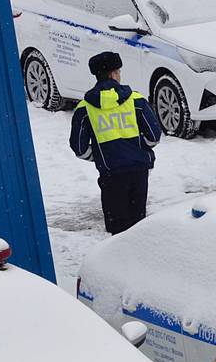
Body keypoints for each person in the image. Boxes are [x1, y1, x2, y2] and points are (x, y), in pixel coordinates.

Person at [69, 51, 162, 234]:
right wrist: (137, 150)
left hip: (111, 176)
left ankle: (120, 258)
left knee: (117, 230)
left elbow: (79, 148)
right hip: (138, 172)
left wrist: (100, 156)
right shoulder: (136, 100)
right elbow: (154, 136)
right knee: (138, 227)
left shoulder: (85, 108)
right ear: (113, 74)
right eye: (118, 72)